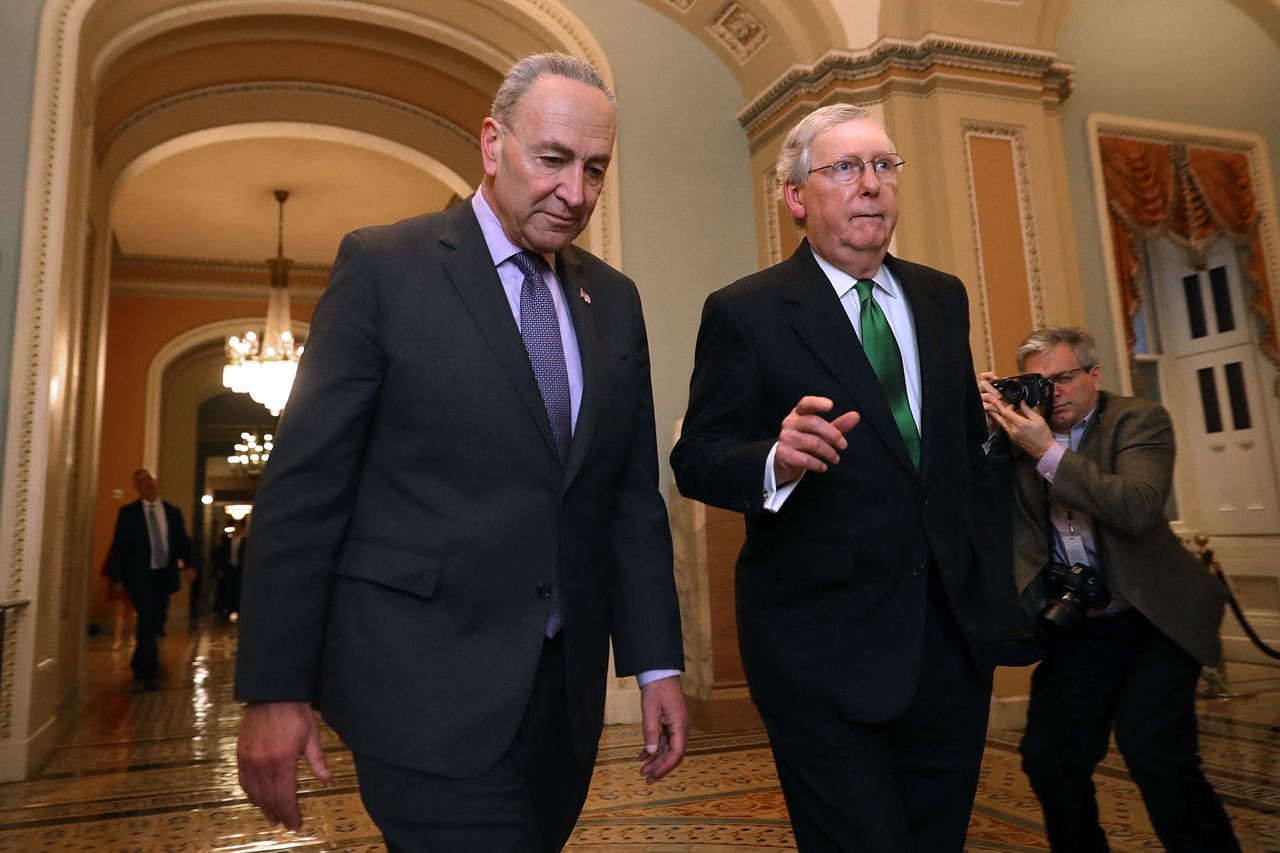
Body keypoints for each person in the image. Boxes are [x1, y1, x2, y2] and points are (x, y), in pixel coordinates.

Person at [234, 52, 687, 851]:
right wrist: (275, 688)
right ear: (492, 143)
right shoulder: (384, 268)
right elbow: (305, 492)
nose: (574, 193)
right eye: (552, 160)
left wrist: (656, 665)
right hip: (419, 688)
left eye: (594, 169)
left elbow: (629, 499)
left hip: (561, 703)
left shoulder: (613, 300)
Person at [670, 103, 1007, 851]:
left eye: (884, 166)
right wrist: (775, 459)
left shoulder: (941, 296)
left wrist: (987, 590)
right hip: (819, 654)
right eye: (846, 168)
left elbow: (966, 454)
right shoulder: (746, 311)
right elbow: (695, 457)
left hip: (948, 647)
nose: (871, 185)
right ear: (797, 197)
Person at [980, 326, 1240, 853]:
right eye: (1038, 381)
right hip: (1081, 624)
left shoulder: (1137, 419)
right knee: (1049, 757)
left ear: (1094, 375)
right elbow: (972, 493)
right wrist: (981, 421)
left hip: (1156, 618)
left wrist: (1047, 452)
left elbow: (1139, 505)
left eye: (1064, 377)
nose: (1052, 391)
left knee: (1155, 753)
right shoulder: (1017, 436)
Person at [106, 467, 193, 689]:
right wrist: (116, 579)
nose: (147, 483)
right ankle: (148, 674)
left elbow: (182, 541)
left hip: (165, 575)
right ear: (136, 487)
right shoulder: (129, 513)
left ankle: (139, 662)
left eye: (150, 479)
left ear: (156, 481)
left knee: (156, 622)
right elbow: (120, 547)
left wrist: (190, 565)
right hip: (140, 576)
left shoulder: (172, 512)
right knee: (145, 621)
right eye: (141, 480)